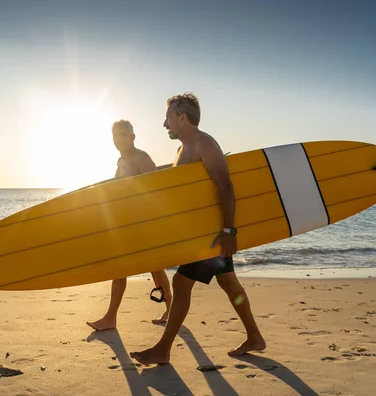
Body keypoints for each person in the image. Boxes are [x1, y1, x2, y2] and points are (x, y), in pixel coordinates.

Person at [129, 93, 266, 365]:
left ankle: (163, 349)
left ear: (182, 117)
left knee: (181, 282)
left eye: (168, 117)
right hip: (205, 230)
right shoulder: (183, 149)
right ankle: (255, 337)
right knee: (228, 282)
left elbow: (225, 186)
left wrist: (229, 231)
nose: (164, 123)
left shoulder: (204, 143)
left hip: (212, 233)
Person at [86, 120, 172, 331]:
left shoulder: (141, 158)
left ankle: (111, 317)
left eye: (124, 135)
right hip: (129, 223)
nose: (120, 139)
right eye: (116, 135)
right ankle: (170, 311)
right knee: (154, 268)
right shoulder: (121, 160)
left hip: (142, 224)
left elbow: (157, 187)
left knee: (125, 268)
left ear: (133, 137)